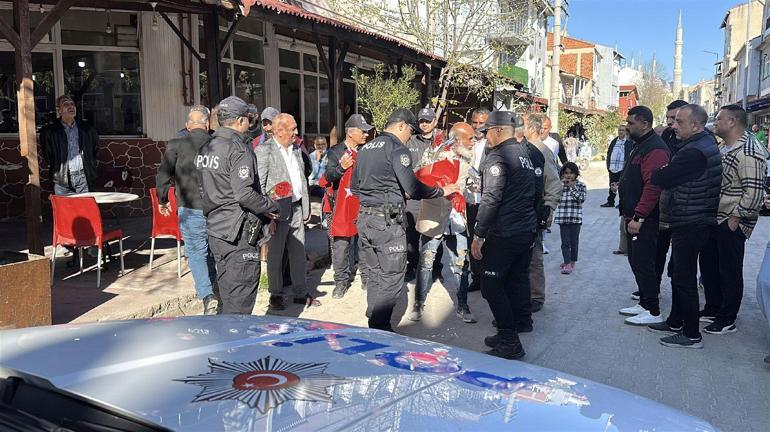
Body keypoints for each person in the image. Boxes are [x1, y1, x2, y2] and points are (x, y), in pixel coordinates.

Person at [351, 108, 458, 331]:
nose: (410, 137)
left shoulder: (365, 149)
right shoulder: (398, 149)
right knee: (392, 275)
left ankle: (373, 314)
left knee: (374, 273)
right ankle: (379, 327)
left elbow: (355, 188)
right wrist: (441, 191)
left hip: (366, 219)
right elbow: (413, 188)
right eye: (410, 131)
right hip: (387, 223)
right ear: (401, 125)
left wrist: (375, 200)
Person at [196, 96, 279, 314]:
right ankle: (234, 336)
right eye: (249, 119)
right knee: (240, 303)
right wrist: (270, 205)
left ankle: (226, 332)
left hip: (216, 230)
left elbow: (201, 187)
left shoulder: (207, 146)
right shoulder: (239, 149)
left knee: (227, 294)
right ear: (241, 120)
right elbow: (244, 194)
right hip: (237, 234)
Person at [649, 104, 722, 349]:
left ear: (696, 125)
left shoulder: (695, 151)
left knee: (684, 277)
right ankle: (675, 321)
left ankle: (691, 334)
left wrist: (663, 171)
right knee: (678, 273)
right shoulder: (698, 144)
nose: (673, 126)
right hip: (690, 218)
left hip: (692, 220)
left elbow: (661, 177)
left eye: (679, 122)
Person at [470, 111, 537, 359]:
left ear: (498, 131)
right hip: (525, 229)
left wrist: (478, 234)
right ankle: (517, 324)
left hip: (505, 233)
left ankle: (510, 341)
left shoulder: (497, 157)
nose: (484, 136)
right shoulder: (524, 153)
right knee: (515, 280)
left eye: (487, 131)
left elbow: (491, 198)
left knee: (491, 286)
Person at [699, 105, 767, 335]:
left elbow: (754, 192)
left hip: (731, 220)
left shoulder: (748, 150)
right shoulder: (724, 147)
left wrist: (735, 219)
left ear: (732, 122)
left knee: (729, 270)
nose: (715, 123)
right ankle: (713, 308)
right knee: (710, 266)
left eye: (719, 119)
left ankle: (727, 318)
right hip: (716, 217)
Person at [410, 122, 477, 323]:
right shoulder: (434, 153)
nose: (473, 141)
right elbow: (418, 175)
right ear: (457, 140)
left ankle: (463, 306)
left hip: (457, 217)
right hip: (433, 215)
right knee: (426, 262)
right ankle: (418, 304)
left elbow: (470, 183)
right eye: (470, 138)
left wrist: (471, 188)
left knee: (461, 263)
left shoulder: (470, 158)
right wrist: (440, 186)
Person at [156, 105, 218, 315]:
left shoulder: (176, 145)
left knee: (196, 252)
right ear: (207, 125)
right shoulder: (217, 144)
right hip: (217, 208)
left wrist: (163, 199)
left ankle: (207, 295)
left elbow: (163, 175)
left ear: (188, 125)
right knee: (212, 251)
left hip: (190, 207)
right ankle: (214, 289)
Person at [255, 113, 316, 311]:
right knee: (276, 255)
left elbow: (302, 178)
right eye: (293, 129)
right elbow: (260, 186)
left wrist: (306, 206)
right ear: (279, 131)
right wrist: (267, 217)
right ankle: (276, 294)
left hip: (297, 207)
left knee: (298, 252)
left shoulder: (296, 148)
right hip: (276, 212)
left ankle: (300, 293)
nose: (296, 132)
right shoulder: (264, 151)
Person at [617, 106, 670, 326]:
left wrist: (639, 216)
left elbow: (653, 186)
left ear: (645, 124)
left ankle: (653, 310)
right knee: (636, 260)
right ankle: (644, 303)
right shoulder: (639, 145)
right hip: (632, 215)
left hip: (645, 218)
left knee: (645, 262)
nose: (627, 127)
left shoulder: (655, 148)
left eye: (631, 123)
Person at [325, 114, 374, 298]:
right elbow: (328, 176)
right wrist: (341, 168)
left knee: (364, 242)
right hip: (342, 205)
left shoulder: (366, 151)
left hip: (363, 203)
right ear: (351, 132)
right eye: (363, 131)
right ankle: (341, 281)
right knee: (341, 245)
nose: (366, 135)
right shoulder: (335, 151)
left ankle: (366, 277)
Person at [526, 113, 561, 313]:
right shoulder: (520, 148)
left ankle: (536, 296)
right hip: (520, 211)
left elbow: (553, 182)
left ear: (532, 129)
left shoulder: (541, 151)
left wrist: (549, 208)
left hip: (536, 209)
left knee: (534, 255)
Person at [403, 107, 442, 280]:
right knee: (411, 233)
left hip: (435, 195)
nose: (424, 124)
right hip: (414, 195)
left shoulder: (442, 142)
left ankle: (435, 268)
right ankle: (411, 266)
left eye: (428, 121)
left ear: (435, 121)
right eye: (422, 121)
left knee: (434, 232)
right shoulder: (410, 142)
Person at [40, 95, 99, 195]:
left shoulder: (86, 129)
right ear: (59, 110)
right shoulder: (50, 131)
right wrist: (57, 169)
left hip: (84, 178)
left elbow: (95, 150)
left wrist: (91, 166)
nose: (70, 106)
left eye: (72, 103)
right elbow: (48, 154)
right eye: (66, 104)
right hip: (62, 180)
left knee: (85, 205)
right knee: (65, 205)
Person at [464, 108, 490, 293]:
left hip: (487, 201)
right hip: (468, 200)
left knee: (487, 240)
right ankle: (477, 277)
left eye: (482, 123)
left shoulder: (493, 145)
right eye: (475, 122)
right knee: (471, 239)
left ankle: (489, 277)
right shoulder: (465, 142)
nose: (477, 126)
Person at [554, 162, 586, 275]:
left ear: (576, 174)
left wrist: (572, 188)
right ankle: (567, 262)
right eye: (566, 173)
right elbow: (555, 197)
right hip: (563, 218)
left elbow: (581, 199)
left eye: (571, 173)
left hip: (575, 219)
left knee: (574, 242)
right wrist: (560, 185)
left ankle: (572, 261)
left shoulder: (581, 185)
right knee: (565, 243)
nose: (568, 175)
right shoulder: (560, 185)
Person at [602, 126, 632, 208]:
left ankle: (622, 203)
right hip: (613, 167)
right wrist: (608, 165)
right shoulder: (614, 141)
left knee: (622, 187)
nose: (620, 132)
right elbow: (609, 153)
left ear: (626, 132)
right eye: (619, 130)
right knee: (612, 186)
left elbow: (630, 155)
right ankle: (610, 202)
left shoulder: (628, 142)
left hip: (622, 168)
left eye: (622, 130)